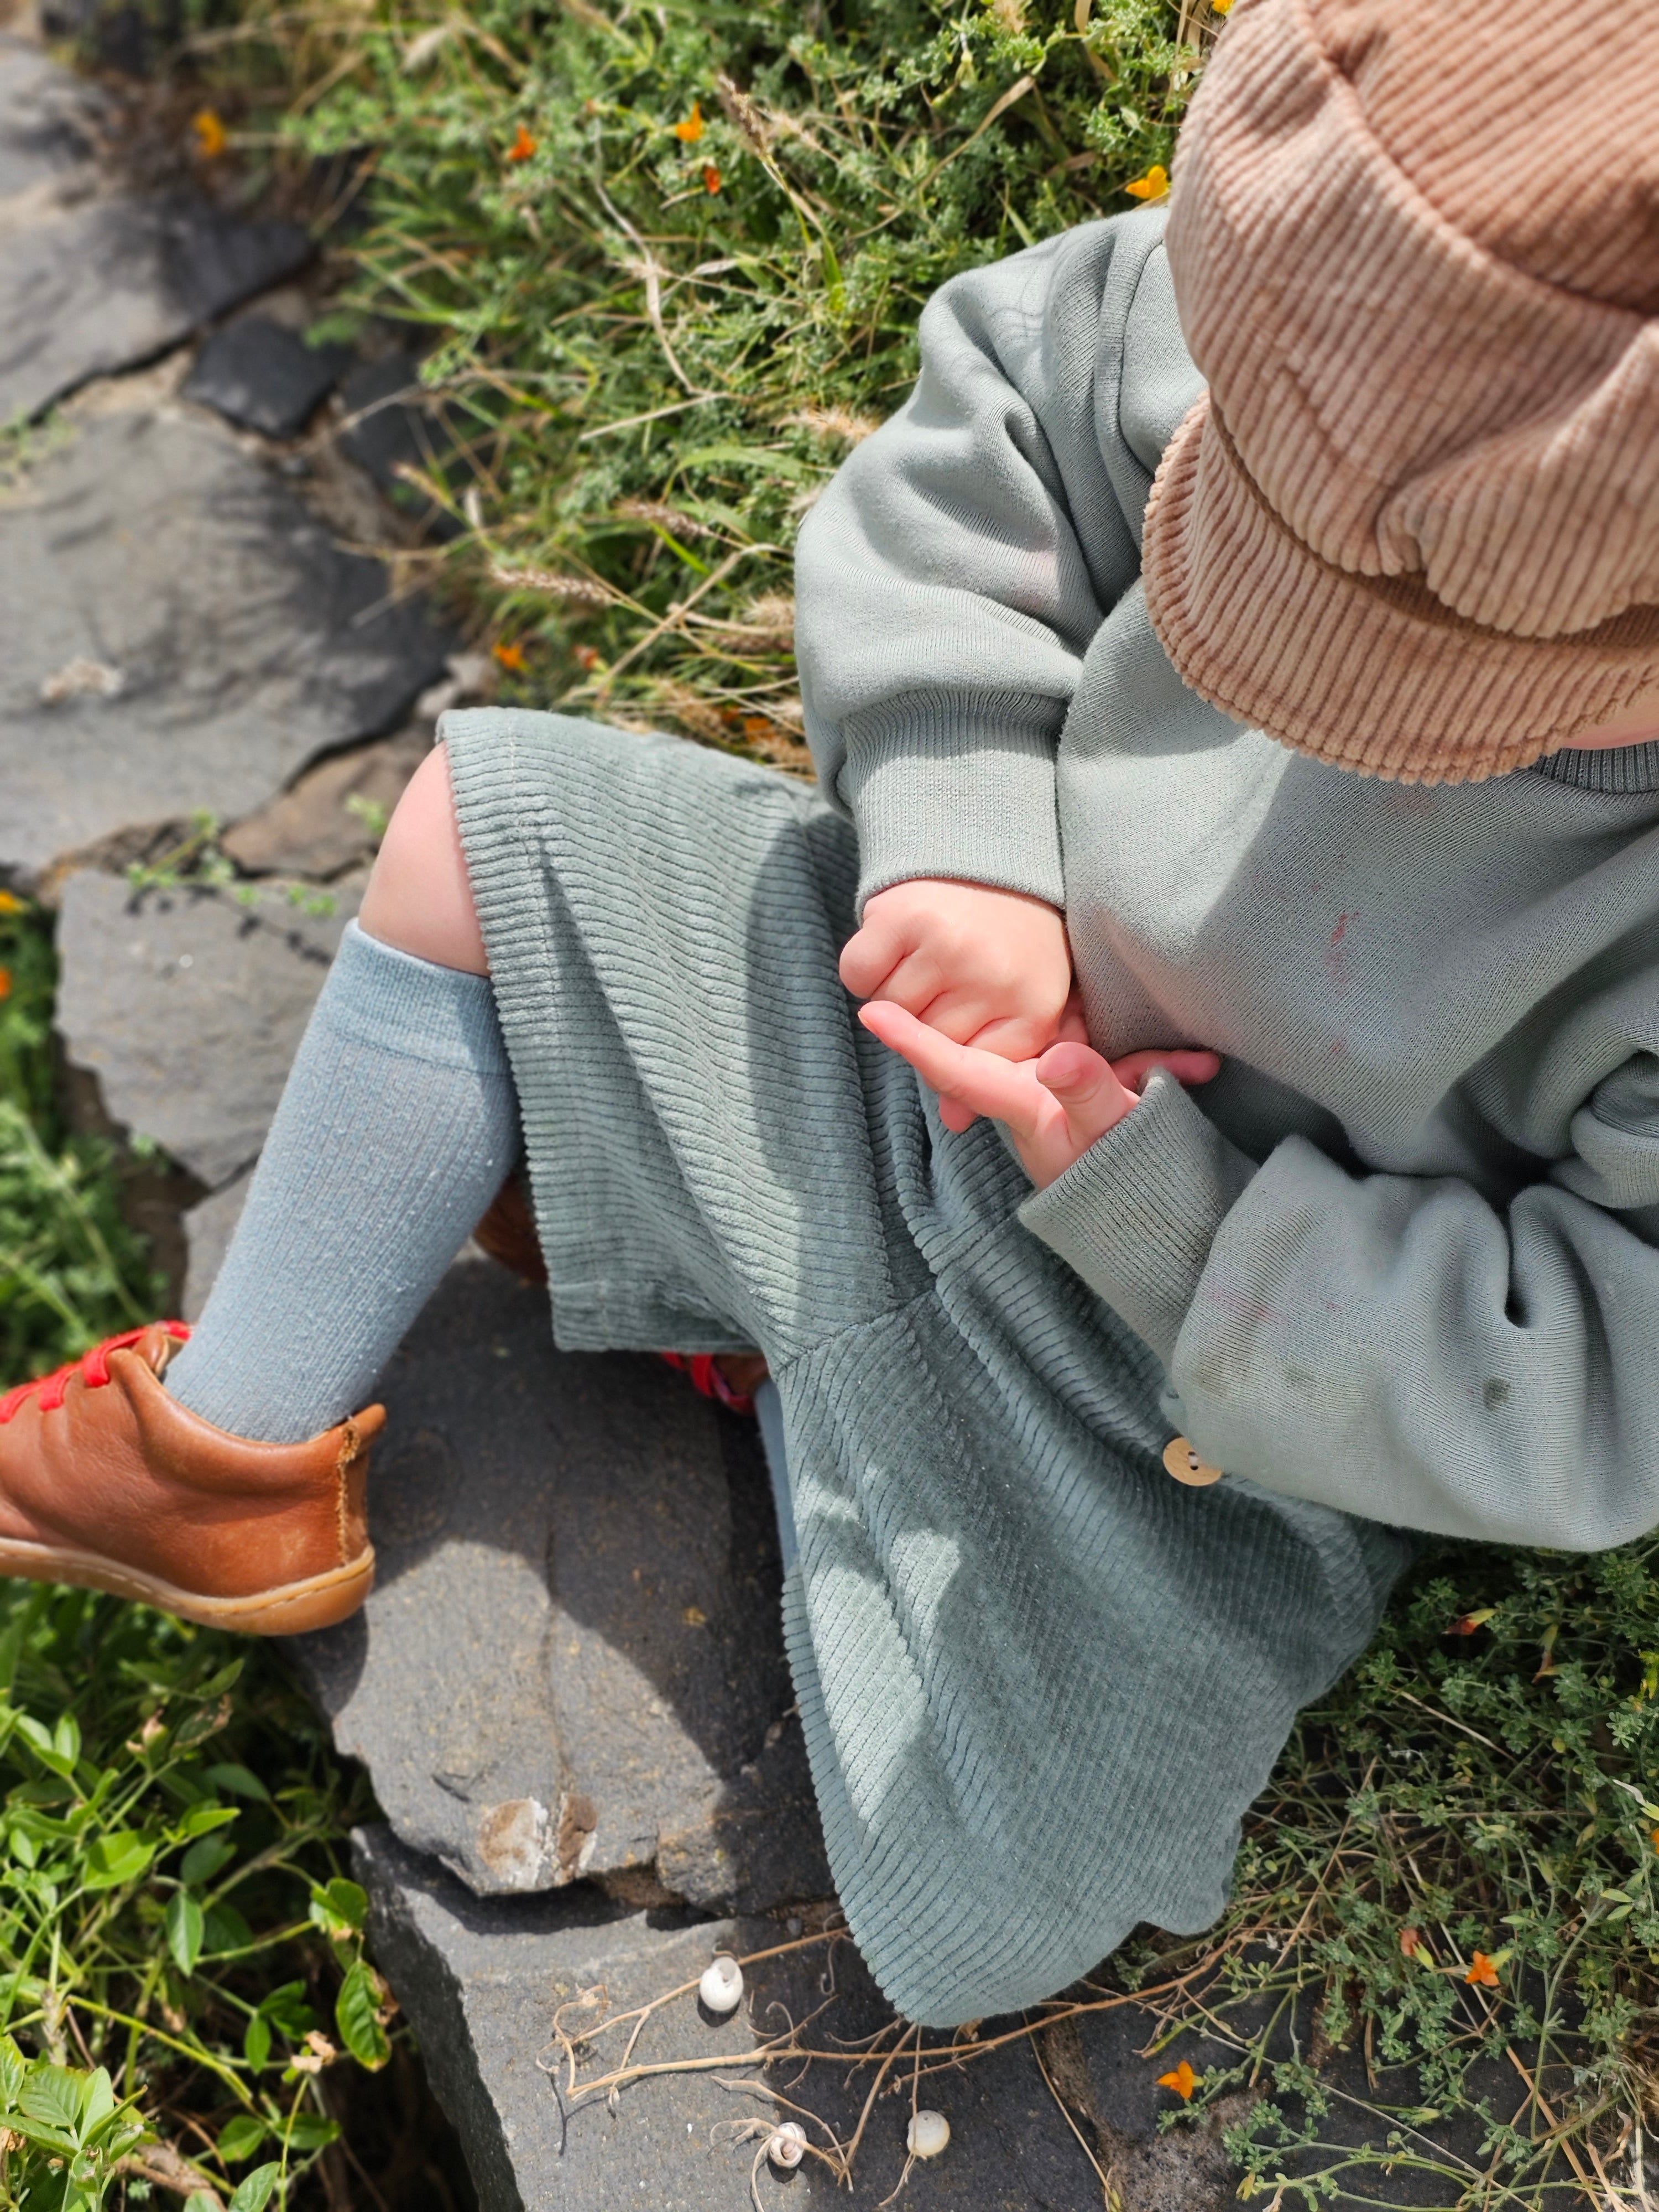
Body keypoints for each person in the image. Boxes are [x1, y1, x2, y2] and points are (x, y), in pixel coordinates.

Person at [3, 0, 1657, 2028]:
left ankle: (768, 1344)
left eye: (1392, 650)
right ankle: (231, 1449)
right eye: (1258, 524)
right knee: (479, 826)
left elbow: (1597, 1376)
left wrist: (1165, 1216)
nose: (1287, 650)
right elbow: (992, 443)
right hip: (899, 1054)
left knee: (980, 1917)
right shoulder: (1351, 274)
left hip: (1172, 1396)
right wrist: (965, 835)